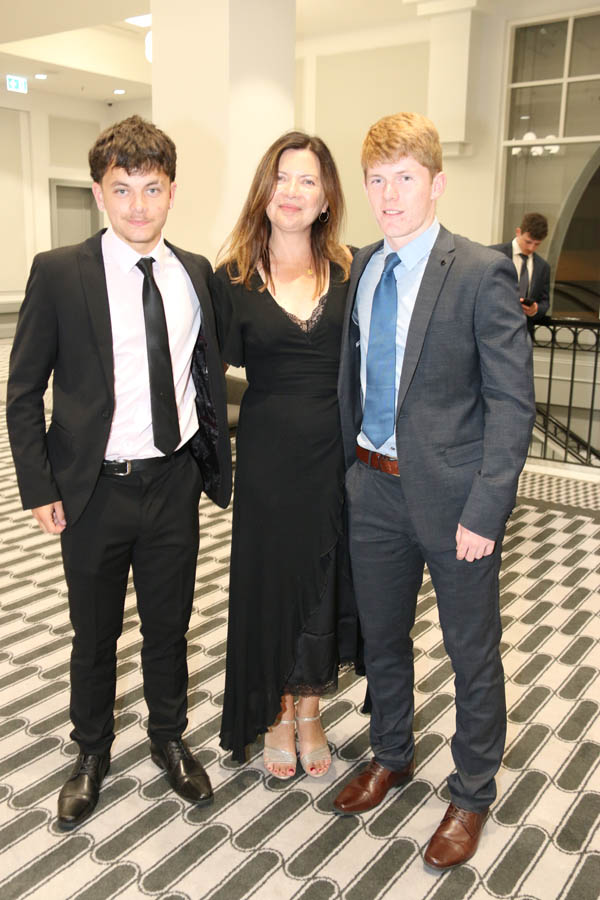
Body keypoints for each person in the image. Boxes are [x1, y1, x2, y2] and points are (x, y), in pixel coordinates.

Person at [6, 116, 232, 828]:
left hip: (172, 481)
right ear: (100, 192)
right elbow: (22, 390)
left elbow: (209, 368)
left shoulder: (194, 273)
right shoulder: (58, 272)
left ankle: (169, 737)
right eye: (123, 189)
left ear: (172, 192)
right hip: (94, 487)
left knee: (169, 626)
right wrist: (39, 485)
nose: (138, 205)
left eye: (152, 188)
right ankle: (90, 751)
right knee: (94, 631)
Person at [333, 113, 535, 869]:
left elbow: (512, 403)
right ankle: (391, 751)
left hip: (456, 504)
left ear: (436, 183)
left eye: (405, 178)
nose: (389, 195)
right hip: (373, 489)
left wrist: (487, 508)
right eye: (376, 180)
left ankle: (473, 790)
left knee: (470, 651)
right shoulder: (360, 267)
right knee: (382, 638)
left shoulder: (480, 271)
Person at [212, 131, 357, 779]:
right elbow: (202, 373)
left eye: (307, 180)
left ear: (326, 198)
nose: (292, 192)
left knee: (323, 579)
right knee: (270, 581)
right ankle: (274, 708)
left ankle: (310, 708)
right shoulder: (232, 279)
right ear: (263, 191)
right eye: (281, 178)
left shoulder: (351, 273)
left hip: (335, 453)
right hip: (268, 458)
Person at [490, 212, 550, 334]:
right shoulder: (493, 254)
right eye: (528, 242)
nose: (531, 248)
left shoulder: (543, 266)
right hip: (492, 327)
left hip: (523, 332)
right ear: (518, 232)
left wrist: (535, 309)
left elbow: (544, 302)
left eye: (537, 244)